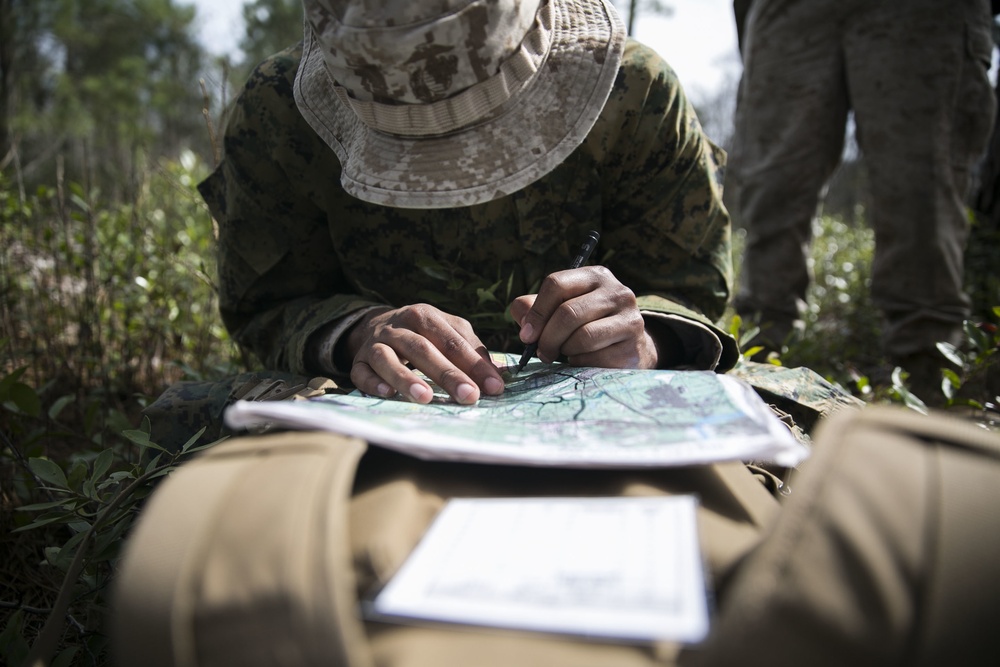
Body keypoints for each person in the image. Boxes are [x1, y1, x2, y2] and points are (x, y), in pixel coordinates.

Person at [196, 0, 740, 408]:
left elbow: (694, 287)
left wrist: (646, 339)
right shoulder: (278, 111)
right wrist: (357, 332)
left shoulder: (633, 95)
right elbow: (263, 304)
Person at [730, 0, 997, 400]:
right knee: (773, 187)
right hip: (787, 11)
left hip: (926, 13)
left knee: (922, 192)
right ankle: (758, 362)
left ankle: (927, 381)